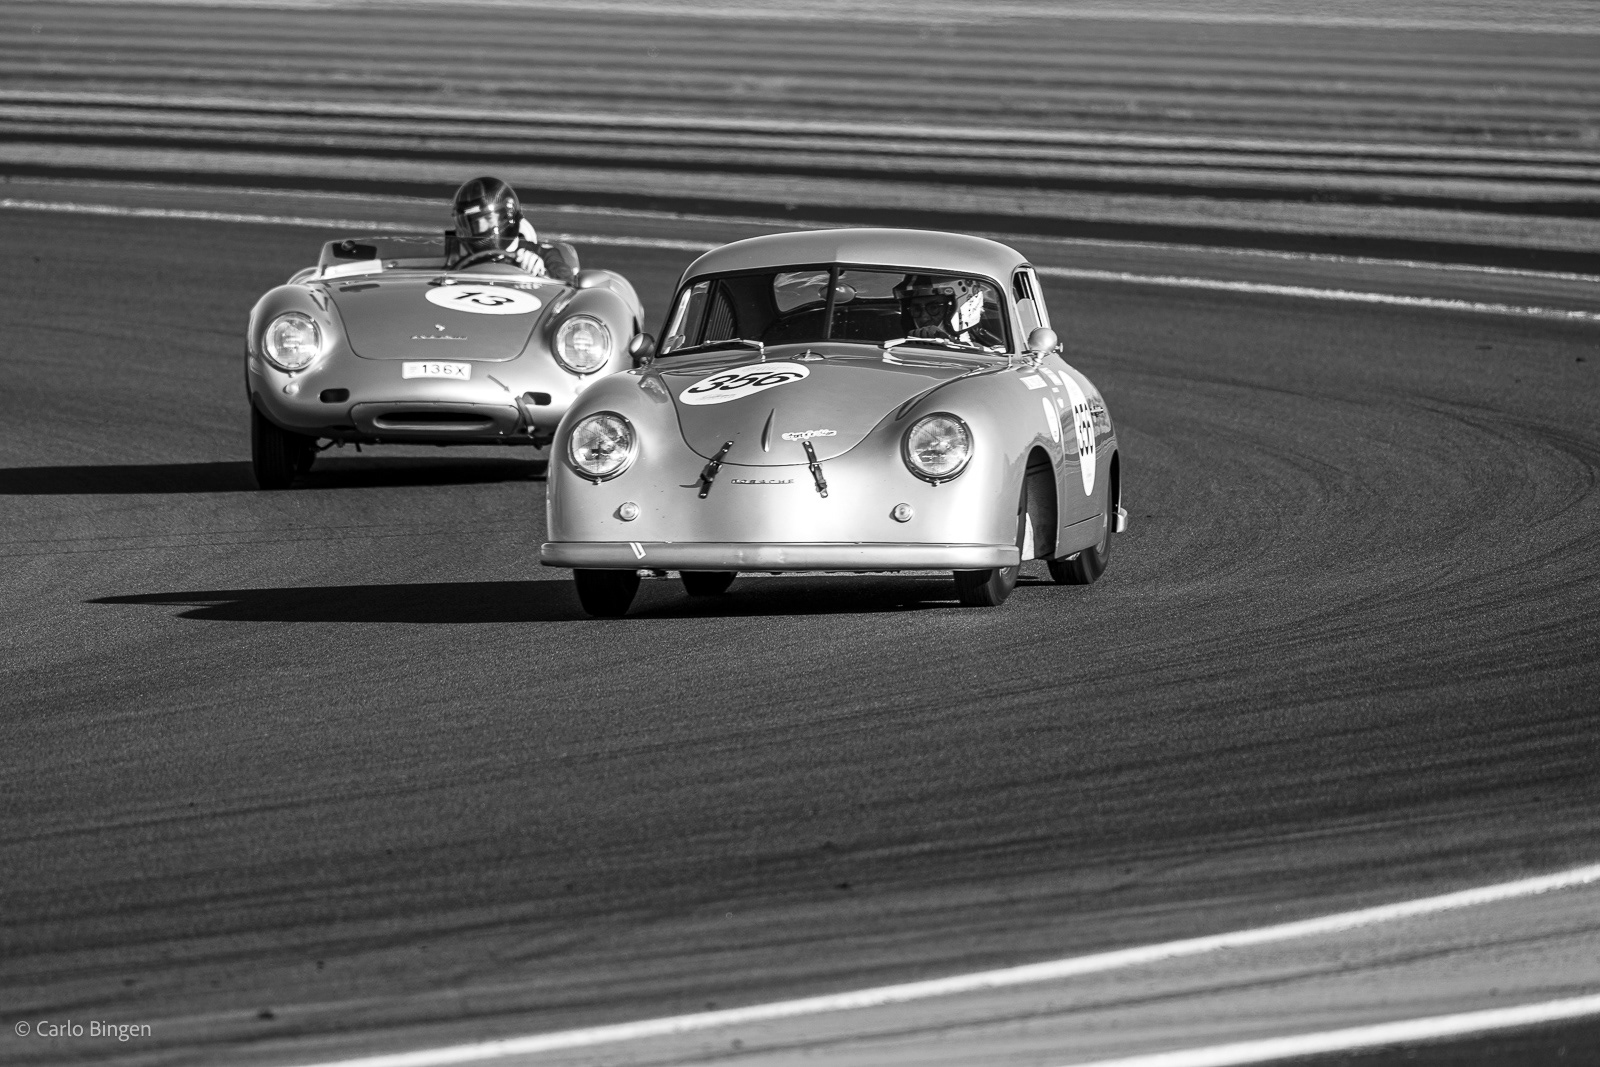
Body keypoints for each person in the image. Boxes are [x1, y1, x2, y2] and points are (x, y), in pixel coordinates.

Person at [447, 176, 578, 282]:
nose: (480, 228)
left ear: (507, 216)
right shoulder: (460, 260)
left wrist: (542, 275)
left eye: (488, 219)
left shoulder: (544, 254)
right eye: (473, 224)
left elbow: (568, 286)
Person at [896, 274, 1004, 350]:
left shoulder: (999, 344)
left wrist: (952, 346)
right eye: (916, 309)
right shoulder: (891, 344)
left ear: (961, 304)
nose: (924, 318)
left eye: (934, 308)